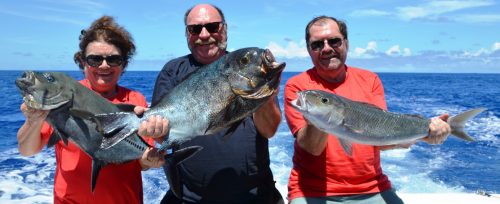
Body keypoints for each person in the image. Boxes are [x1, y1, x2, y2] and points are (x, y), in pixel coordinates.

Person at [283, 16, 452, 204]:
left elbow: (380, 140)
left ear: (346, 43)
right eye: (317, 45)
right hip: (312, 191)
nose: (327, 48)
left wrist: (426, 134)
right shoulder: (298, 87)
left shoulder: (370, 79)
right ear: (309, 50)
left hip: (372, 187)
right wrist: (316, 114)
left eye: (334, 41)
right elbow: (312, 149)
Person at [134, 3, 284, 204]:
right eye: (195, 29)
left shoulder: (247, 68)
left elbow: (269, 130)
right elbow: (164, 136)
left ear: (225, 29)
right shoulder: (173, 71)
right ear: (187, 34)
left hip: (254, 196)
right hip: (191, 198)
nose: (204, 35)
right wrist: (153, 129)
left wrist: (266, 90)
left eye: (213, 27)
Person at [16, 16, 163, 204]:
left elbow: (141, 162)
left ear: (123, 64)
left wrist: (149, 160)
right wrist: (33, 121)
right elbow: (27, 150)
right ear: (83, 62)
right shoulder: (61, 99)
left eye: (113, 59)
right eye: (94, 59)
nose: (104, 65)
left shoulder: (135, 100)